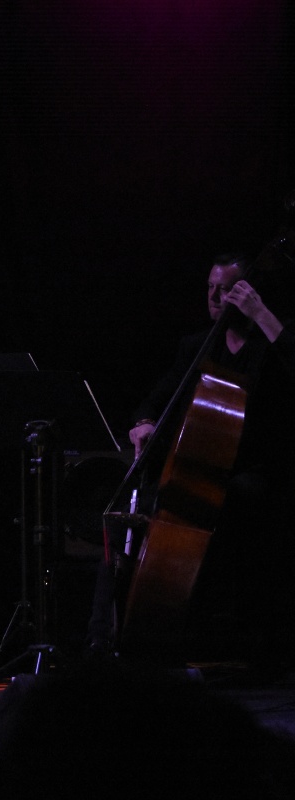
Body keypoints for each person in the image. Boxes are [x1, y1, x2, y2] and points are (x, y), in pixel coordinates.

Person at [124, 253, 295, 668]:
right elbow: (154, 399)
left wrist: (262, 314)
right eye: (211, 289)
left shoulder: (270, 344)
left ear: (248, 293)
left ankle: (242, 636)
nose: (216, 298)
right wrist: (143, 423)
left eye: (227, 290)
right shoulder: (197, 346)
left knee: (237, 500)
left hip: (261, 470)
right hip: (205, 471)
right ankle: (126, 635)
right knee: (142, 506)